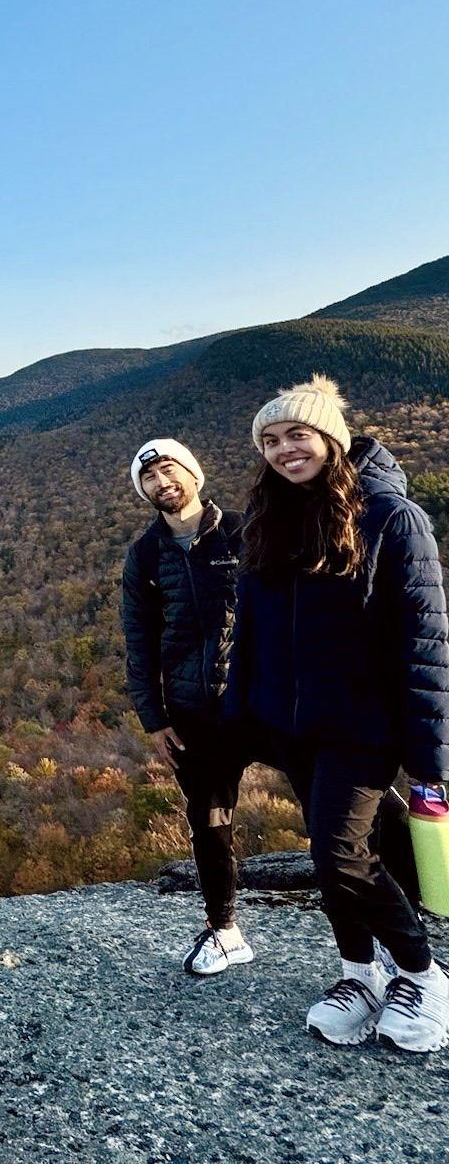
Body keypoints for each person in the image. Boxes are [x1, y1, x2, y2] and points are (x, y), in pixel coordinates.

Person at [229, 375, 449, 1052]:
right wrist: (245, 714)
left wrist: (431, 755)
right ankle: (360, 975)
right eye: (270, 440)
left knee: (341, 851)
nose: (284, 450)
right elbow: (254, 633)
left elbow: (425, 641)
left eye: (298, 434)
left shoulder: (391, 516)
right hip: (296, 725)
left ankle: (423, 974)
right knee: (333, 859)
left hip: (364, 722)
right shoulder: (270, 519)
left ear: (332, 436)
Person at [122, 438, 248, 974]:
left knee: (332, 805)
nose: (161, 482)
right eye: (149, 477)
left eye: (169, 469)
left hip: (261, 699)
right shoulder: (146, 554)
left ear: (194, 472)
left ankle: (379, 934)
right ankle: (224, 930)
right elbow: (139, 640)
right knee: (210, 820)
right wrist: (154, 718)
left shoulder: (243, 531)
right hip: (193, 711)